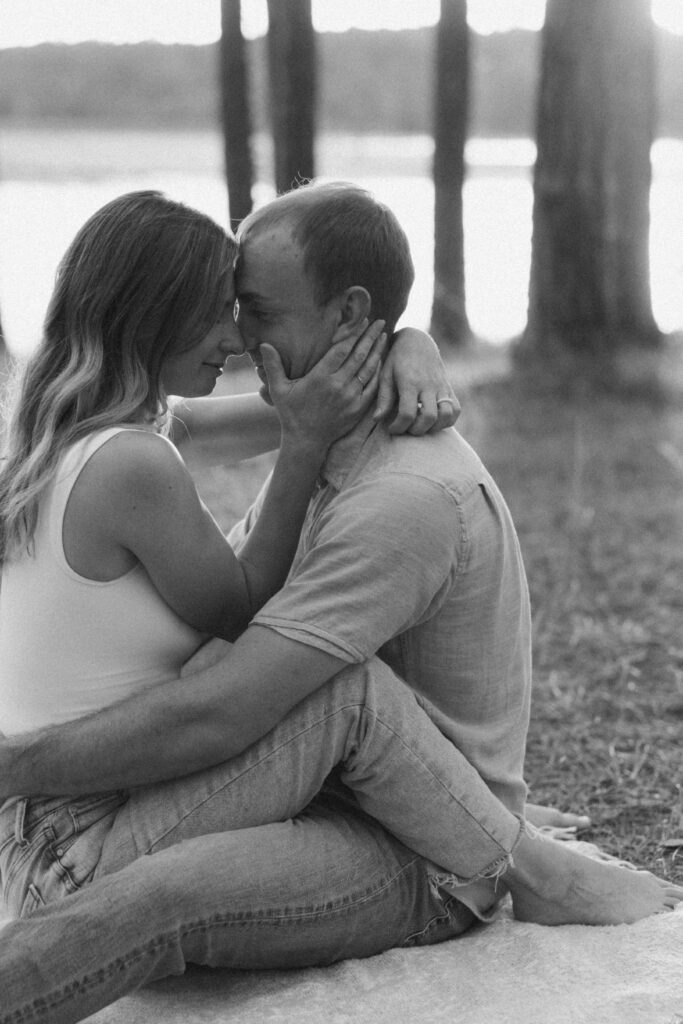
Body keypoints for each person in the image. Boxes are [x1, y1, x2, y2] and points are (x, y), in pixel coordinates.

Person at [1, 184, 680, 1024]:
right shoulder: (136, 455)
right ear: (152, 313)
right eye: (224, 310)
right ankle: (518, 860)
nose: (240, 339)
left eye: (248, 307)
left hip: (102, 825)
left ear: (352, 313)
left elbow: (276, 428)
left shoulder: (65, 428)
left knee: (298, 701)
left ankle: (493, 843)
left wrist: (406, 341)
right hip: (81, 826)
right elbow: (235, 636)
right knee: (326, 689)